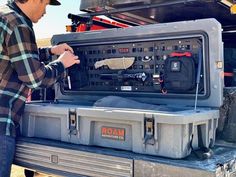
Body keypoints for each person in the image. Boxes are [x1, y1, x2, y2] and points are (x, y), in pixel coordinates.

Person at [0, 0, 80, 176]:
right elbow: (35, 79)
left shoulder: (4, 15)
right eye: (45, 4)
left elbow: (17, 56)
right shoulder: (18, 24)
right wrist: (61, 64)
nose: (45, 11)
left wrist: (51, 51)